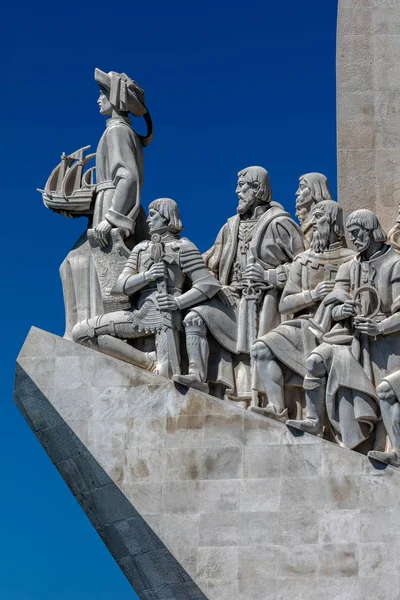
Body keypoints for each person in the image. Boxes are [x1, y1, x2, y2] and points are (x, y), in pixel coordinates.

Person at [173, 166, 306, 400]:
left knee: (257, 353)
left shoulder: (279, 223)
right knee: (194, 318)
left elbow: (305, 264)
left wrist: (270, 276)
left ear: (256, 188)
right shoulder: (230, 226)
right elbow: (208, 259)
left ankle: (262, 401)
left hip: (266, 302)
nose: (237, 191)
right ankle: (197, 376)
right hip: (232, 297)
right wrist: (176, 258)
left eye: (241, 185)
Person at [288, 210, 400, 450]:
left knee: (383, 396)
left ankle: (386, 448)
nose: (354, 239)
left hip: (386, 341)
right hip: (350, 337)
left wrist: (379, 326)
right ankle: (314, 420)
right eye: (350, 234)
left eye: (358, 233)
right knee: (316, 361)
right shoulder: (348, 268)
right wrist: (344, 310)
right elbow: (333, 309)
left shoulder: (395, 264)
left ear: (371, 231)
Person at [72, 199, 221, 376]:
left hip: (168, 316)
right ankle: (146, 360)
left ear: (166, 217)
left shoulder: (183, 247)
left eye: (152, 215)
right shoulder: (141, 249)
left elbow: (208, 284)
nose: (148, 221)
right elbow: (119, 286)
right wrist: (147, 276)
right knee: (82, 332)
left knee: (167, 374)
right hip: (139, 314)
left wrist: (177, 302)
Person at [59, 68, 153, 337]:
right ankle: (81, 329)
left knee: (84, 265)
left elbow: (129, 177)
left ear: (115, 98)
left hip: (113, 207)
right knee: (73, 263)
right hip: (108, 203)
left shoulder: (117, 132)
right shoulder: (118, 131)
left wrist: (113, 218)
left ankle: (93, 330)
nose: (98, 99)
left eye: (103, 93)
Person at [251, 200, 355, 422]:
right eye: (313, 218)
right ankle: (276, 408)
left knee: (317, 364)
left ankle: (316, 420)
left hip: (338, 328)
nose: (314, 224)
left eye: (319, 218)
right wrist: (312, 295)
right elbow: (285, 304)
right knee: (261, 348)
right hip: (303, 324)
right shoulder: (303, 260)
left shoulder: (351, 259)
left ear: (334, 223)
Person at [295, 173, 332, 244]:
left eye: (302, 187)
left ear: (316, 189)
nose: (297, 193)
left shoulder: (326, 220)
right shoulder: (304, 223)